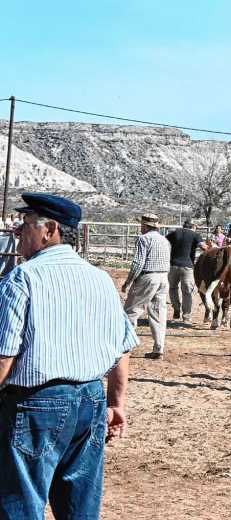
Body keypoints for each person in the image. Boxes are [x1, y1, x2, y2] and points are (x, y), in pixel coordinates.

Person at [0, 193, 137, 519]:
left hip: (36, 405)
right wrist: (116, 404)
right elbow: (123, 347)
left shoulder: (23, 278)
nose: (18, 232)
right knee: (80, 507)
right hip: (90, 401)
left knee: (20, 503)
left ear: (50, 230)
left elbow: (4, 357)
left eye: (25, 225)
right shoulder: (101, 279)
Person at [123, 213, 171, 359]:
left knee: (131, 311)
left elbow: (138, 263)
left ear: (144, 225)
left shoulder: (143, 239)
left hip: (148, 276)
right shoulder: (164, 240)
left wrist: (129, 281)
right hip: (163, 277)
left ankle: (125, 346)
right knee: (158, 313)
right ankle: (158, 348)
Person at [165, 220, 206, 322]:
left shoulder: (175, 233)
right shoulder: (195, 235)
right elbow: (203, 247)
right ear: (193, 226)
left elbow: (164, 241)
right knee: (187, 292)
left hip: (173, 265)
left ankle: (176, 308)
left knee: (172, 288)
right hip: (187, 266)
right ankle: (186, 316)